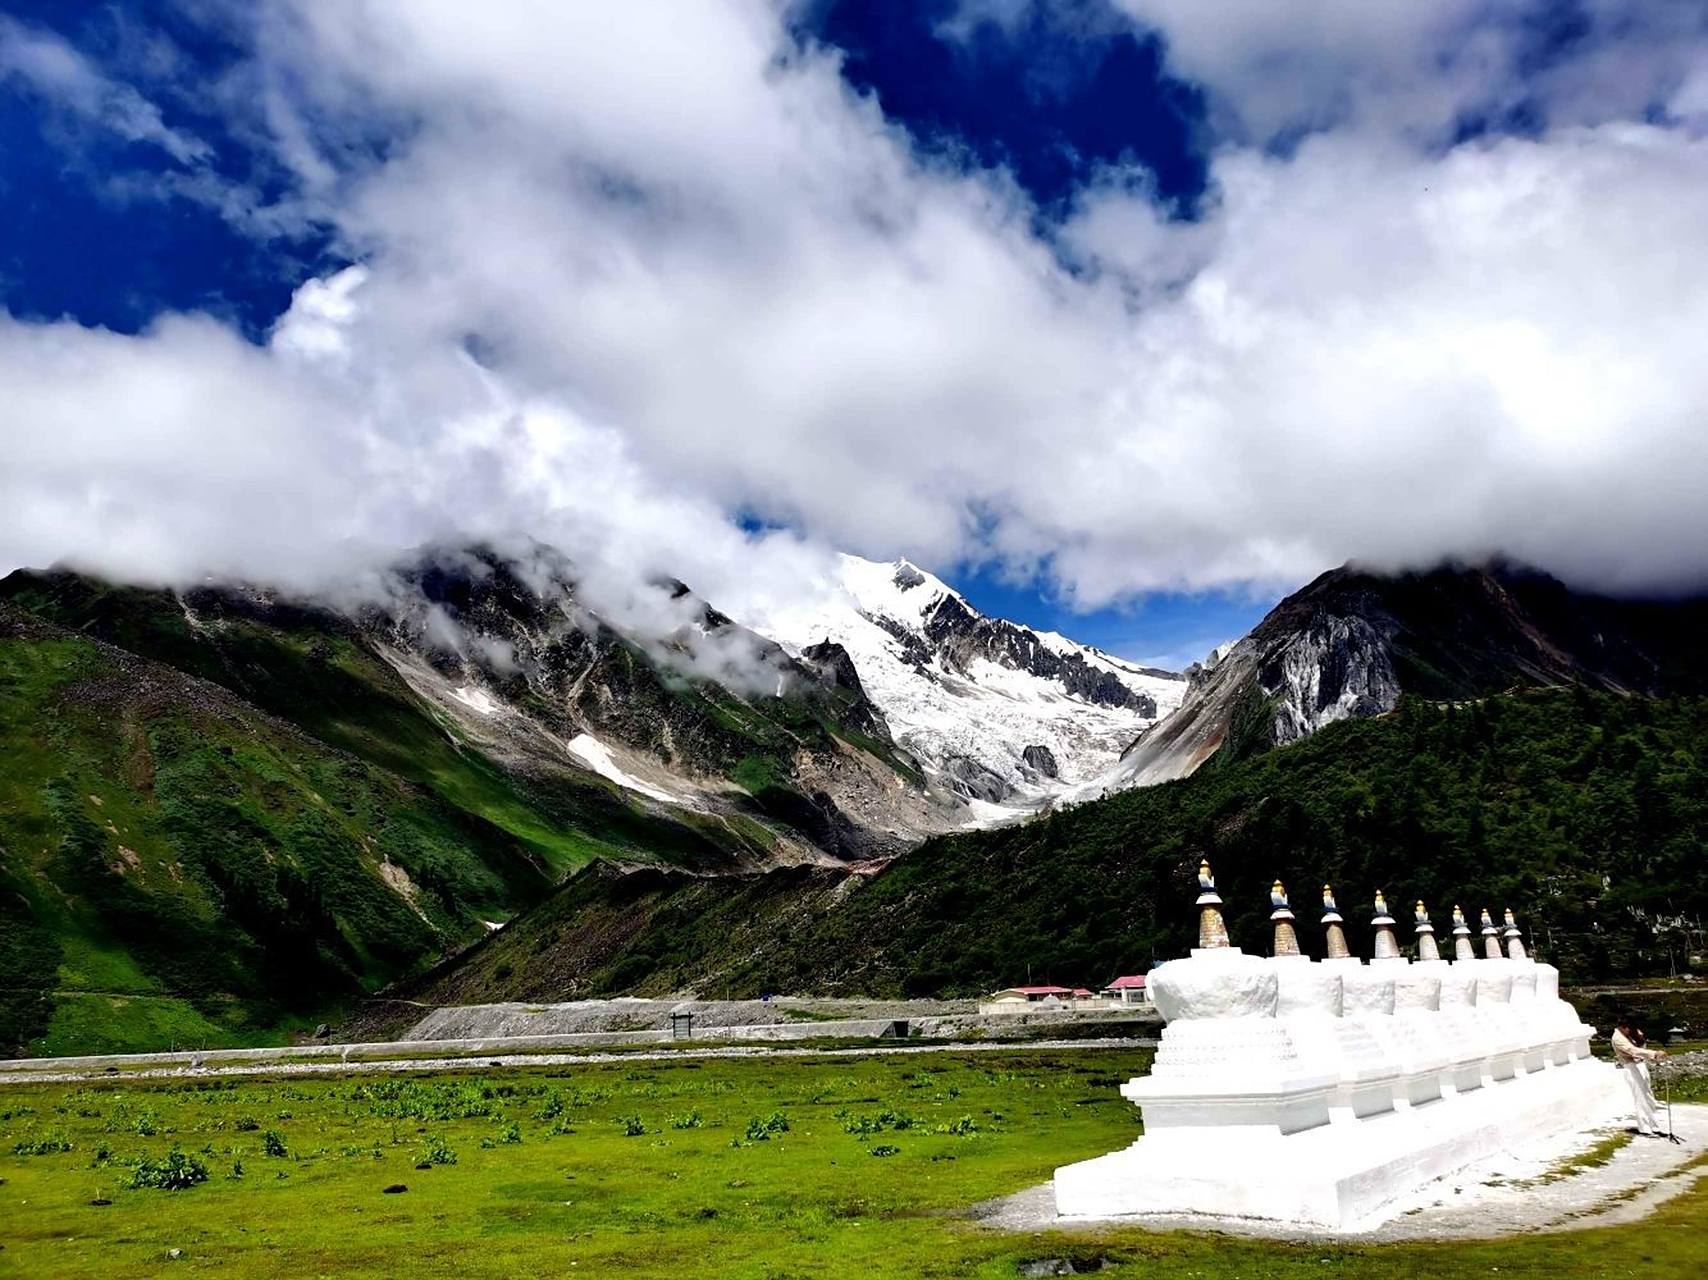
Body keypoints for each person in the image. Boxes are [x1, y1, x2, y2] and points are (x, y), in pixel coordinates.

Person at [1611, 1019, 1668, 1137]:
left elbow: (1640, 1047)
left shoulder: (1628, 1035)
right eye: (1629, 1029)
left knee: (1648, 1097)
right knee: (1640, 1097)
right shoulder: (1618, 1038)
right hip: (1630, 1067)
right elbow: (1632, 1050)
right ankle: (1644, 1127)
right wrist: (1654, 1053)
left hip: (1640, 1065)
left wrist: (1640, 1038)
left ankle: (1654, 1124)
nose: (1630, 1031)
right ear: (1623, 1027)